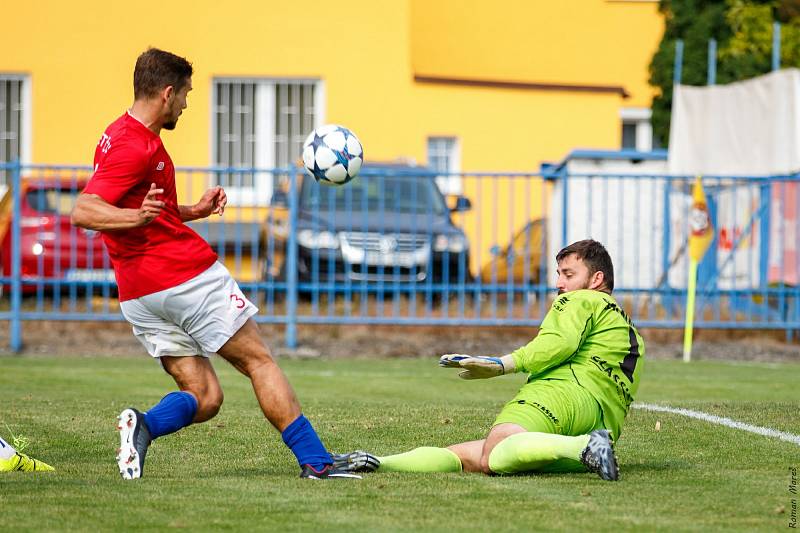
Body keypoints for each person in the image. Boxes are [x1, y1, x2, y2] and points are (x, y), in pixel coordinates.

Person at [71, 48, 358, 481]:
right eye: (185, 95)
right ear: (167, 93)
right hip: (184, 278)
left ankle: (143, 424)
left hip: (139, 293)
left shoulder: (118, 134)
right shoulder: (136, 145)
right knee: (259, 361)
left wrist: (191, 210)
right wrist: (139, 218)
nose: (186, 105)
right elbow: (84, 210)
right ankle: (316, 461)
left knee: (204, 396)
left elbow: (148, 210)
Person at [334, 239, 645, 481]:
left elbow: (558, 344)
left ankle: (585, 447)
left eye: (568, 274)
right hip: (601, 420)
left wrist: (502, 364)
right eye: (559, 275)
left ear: (596, 279)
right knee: (470, 455)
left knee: (493, 454)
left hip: (560, 396)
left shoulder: (578, 300)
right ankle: (378, 462)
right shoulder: (630, 330)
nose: (559, 284)